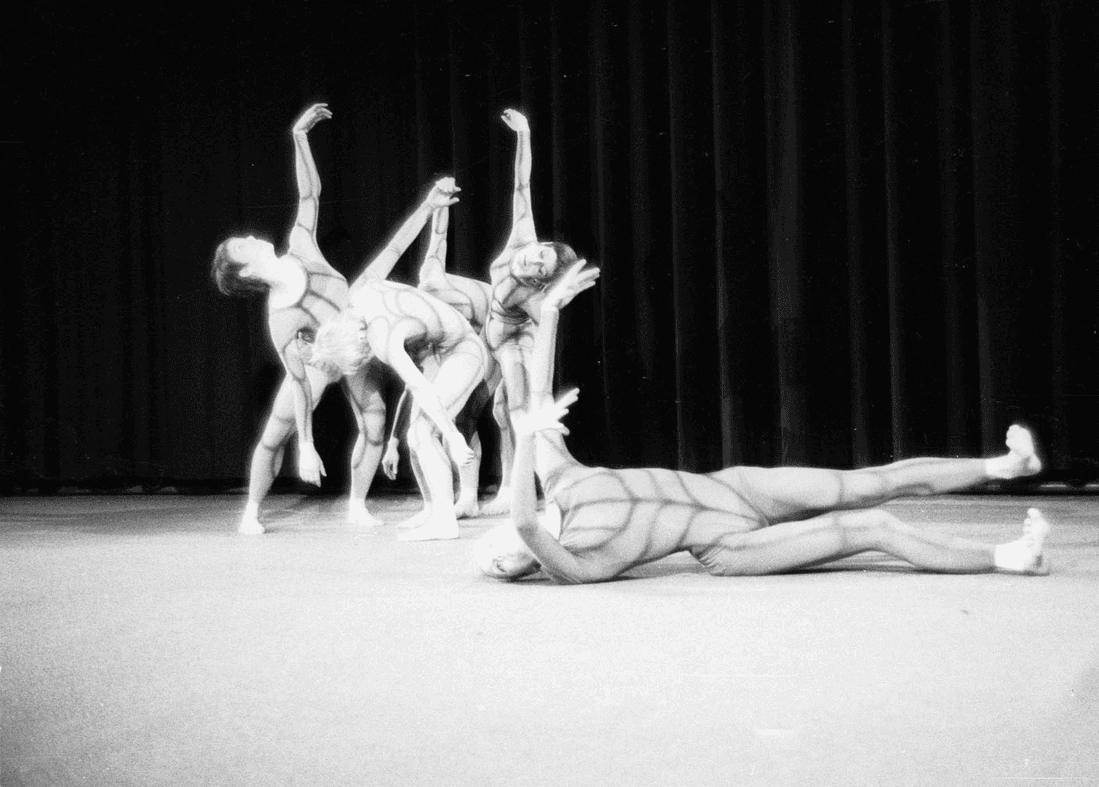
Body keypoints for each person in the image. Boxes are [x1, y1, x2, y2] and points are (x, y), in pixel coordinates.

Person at [472, 264, 1050, 584]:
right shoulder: (573, 561)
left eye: (491, 550)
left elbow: (539, 395)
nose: (503, 551)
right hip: (729, 544)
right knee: (871, 526)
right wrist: (522, 444)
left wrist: (547, 313)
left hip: (731, 487)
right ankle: (1009, 558)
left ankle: (1006, 465)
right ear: (519, 569)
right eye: (501, 563)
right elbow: (525, 522)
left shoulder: (566, 480)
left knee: (868, 481)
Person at [211, 102, 461, 534]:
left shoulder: (301, 246)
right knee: (278, 428)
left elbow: (311, 196)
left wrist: (300, 138)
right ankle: (251, 509)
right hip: (321, 359)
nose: (252, 236)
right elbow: (300, 381)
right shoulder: (282, 320)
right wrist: (306, 446)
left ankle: (357, 505)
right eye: (244, 245)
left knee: (375, 419)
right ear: (247, 271)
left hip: (357, 336)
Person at [303, 266, 488, 542]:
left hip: (464, 351)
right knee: (415, 437)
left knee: (422, 431)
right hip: (439, 351)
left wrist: (452, 435)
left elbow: (420, 388)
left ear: (360, 349)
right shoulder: (362, 298)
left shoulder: (383, 340)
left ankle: (445, 521)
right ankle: (432, 509)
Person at [478, 108, 587, 514]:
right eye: (537, 255)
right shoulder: (521, 239)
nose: (530, 261)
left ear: (541, 282)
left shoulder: (534, 299)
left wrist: (539, 382)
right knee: (497, 410)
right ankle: (512, 483)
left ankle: (521, 486)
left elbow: (546, 337)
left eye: (538, 268)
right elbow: (520, 185)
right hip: (488, 331)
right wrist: (524, 134)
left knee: (517, 410)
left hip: (512, 339)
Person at [381, 200, 495, 520]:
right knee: (430, 427)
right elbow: (412, 389)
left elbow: (439, 239)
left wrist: (440, 208)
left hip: (481, 348)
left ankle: (468, 497)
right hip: (447, 355)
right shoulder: (414, 337)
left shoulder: (432, 282)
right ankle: (439, 503)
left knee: (463, 421)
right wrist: (391, 441)